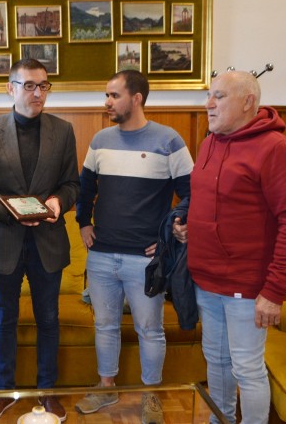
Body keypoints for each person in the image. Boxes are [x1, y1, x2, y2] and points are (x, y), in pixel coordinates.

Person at [177, 71, 286, 424]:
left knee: (247, 369)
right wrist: (191, 228)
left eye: (218, 96)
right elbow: (215, 204)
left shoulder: (276, 149)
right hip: (206, 281)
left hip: (247, 288)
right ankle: (219, 419)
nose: (209, 104)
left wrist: (274, 289)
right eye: (209, 95)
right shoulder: (209, 143)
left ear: (248, 102)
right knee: (215, 361)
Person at [74, 70, 194, 423]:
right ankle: (106, 387)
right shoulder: (99, 140)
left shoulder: (168, 140)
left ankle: (150, 396)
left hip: (146, 260)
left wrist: (169, 232)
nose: (107, 102)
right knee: (105, 325)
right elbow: (84, 190)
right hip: (101, 256)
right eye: (106, 95)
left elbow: (191, 194)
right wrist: (83, 223)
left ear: (136, 98)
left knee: (150, 329)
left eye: (113, 95)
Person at [0, 58, 80, 422]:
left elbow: (72, 185)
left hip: (48, 241)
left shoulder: (63, 131)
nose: (37, 93)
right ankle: (5, 391)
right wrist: (10, 210)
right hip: (4, 242)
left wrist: (57, 203)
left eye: (43, 86)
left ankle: (47, 392)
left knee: (49, 318)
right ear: (10, 88)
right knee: (4, 319)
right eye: (29, 85)